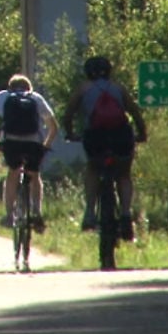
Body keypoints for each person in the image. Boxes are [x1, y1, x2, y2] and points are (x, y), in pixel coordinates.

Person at [60, 55, 148, 241]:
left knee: (92, 168)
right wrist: (142, 134)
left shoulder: (83, 89)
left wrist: (70, 133)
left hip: (95, 136)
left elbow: (68, 115)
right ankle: (126, 214)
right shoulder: (118, 88)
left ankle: (90, 213)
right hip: (121, 135)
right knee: (124, 173)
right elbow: (135, 113)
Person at [0, 74, 59, 232]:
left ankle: (9, 216)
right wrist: (45, 145)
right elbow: (53, 126)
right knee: (34, 174)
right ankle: (37, 213)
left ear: (10, 87)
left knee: (13, 173)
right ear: (29, 88)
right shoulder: (36, 98)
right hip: (33, 143)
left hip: (11, 142)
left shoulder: (3, 96)